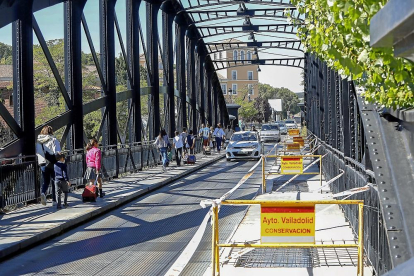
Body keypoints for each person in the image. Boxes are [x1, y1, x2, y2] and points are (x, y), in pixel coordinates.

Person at [36, 125, 61, 206]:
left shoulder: (38, 142)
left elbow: (38, 153)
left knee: (46, 181)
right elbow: (57, 152)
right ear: (51, 131)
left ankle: (43, 192)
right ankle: (54, 200)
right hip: (52, 163)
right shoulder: (53, 140)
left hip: (43, 163)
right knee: (54, 181)